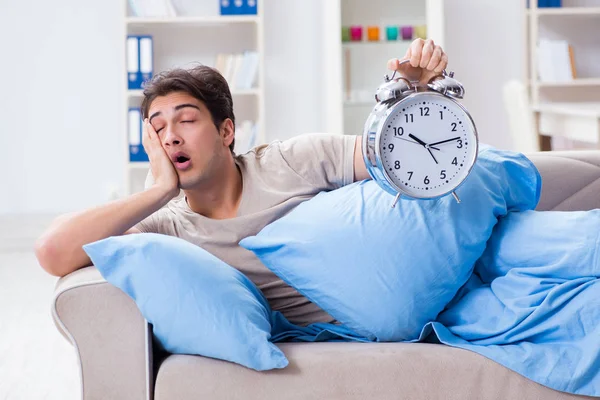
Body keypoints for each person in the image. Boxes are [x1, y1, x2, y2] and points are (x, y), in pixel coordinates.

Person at [36, 38, 449, 326]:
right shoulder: (165, 226)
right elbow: (52, 250)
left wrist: (416, 91)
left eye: (186, 119)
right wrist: (157, 192)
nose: (171, 137)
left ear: (227, 131)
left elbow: (400, 152)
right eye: (158, 129)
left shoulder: (292, 160)